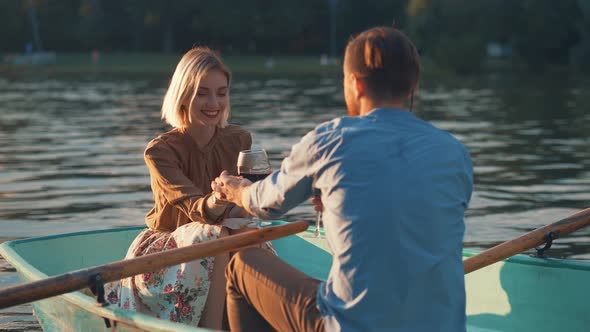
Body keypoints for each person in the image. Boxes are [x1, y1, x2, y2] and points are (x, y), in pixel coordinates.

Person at [212, 26, 473, 331]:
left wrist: (236, 190)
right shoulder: (454, 152)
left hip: (352, 325)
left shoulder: (330, 141)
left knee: (244, 264)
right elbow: (408, 211)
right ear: (413, 85)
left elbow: (264, 204)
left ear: (355, 84)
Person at [104, 46, 273, 330]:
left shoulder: (239, 140)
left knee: (248, 233)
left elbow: (243, 206)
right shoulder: (160, 151)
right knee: (216, 236)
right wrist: (221, 197)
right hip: (167, 252)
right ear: (183, 95)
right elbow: (193, 206)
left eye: (221, 92)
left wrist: (261, 193)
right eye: (202, 92)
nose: (213, 103)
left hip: (227, 235)